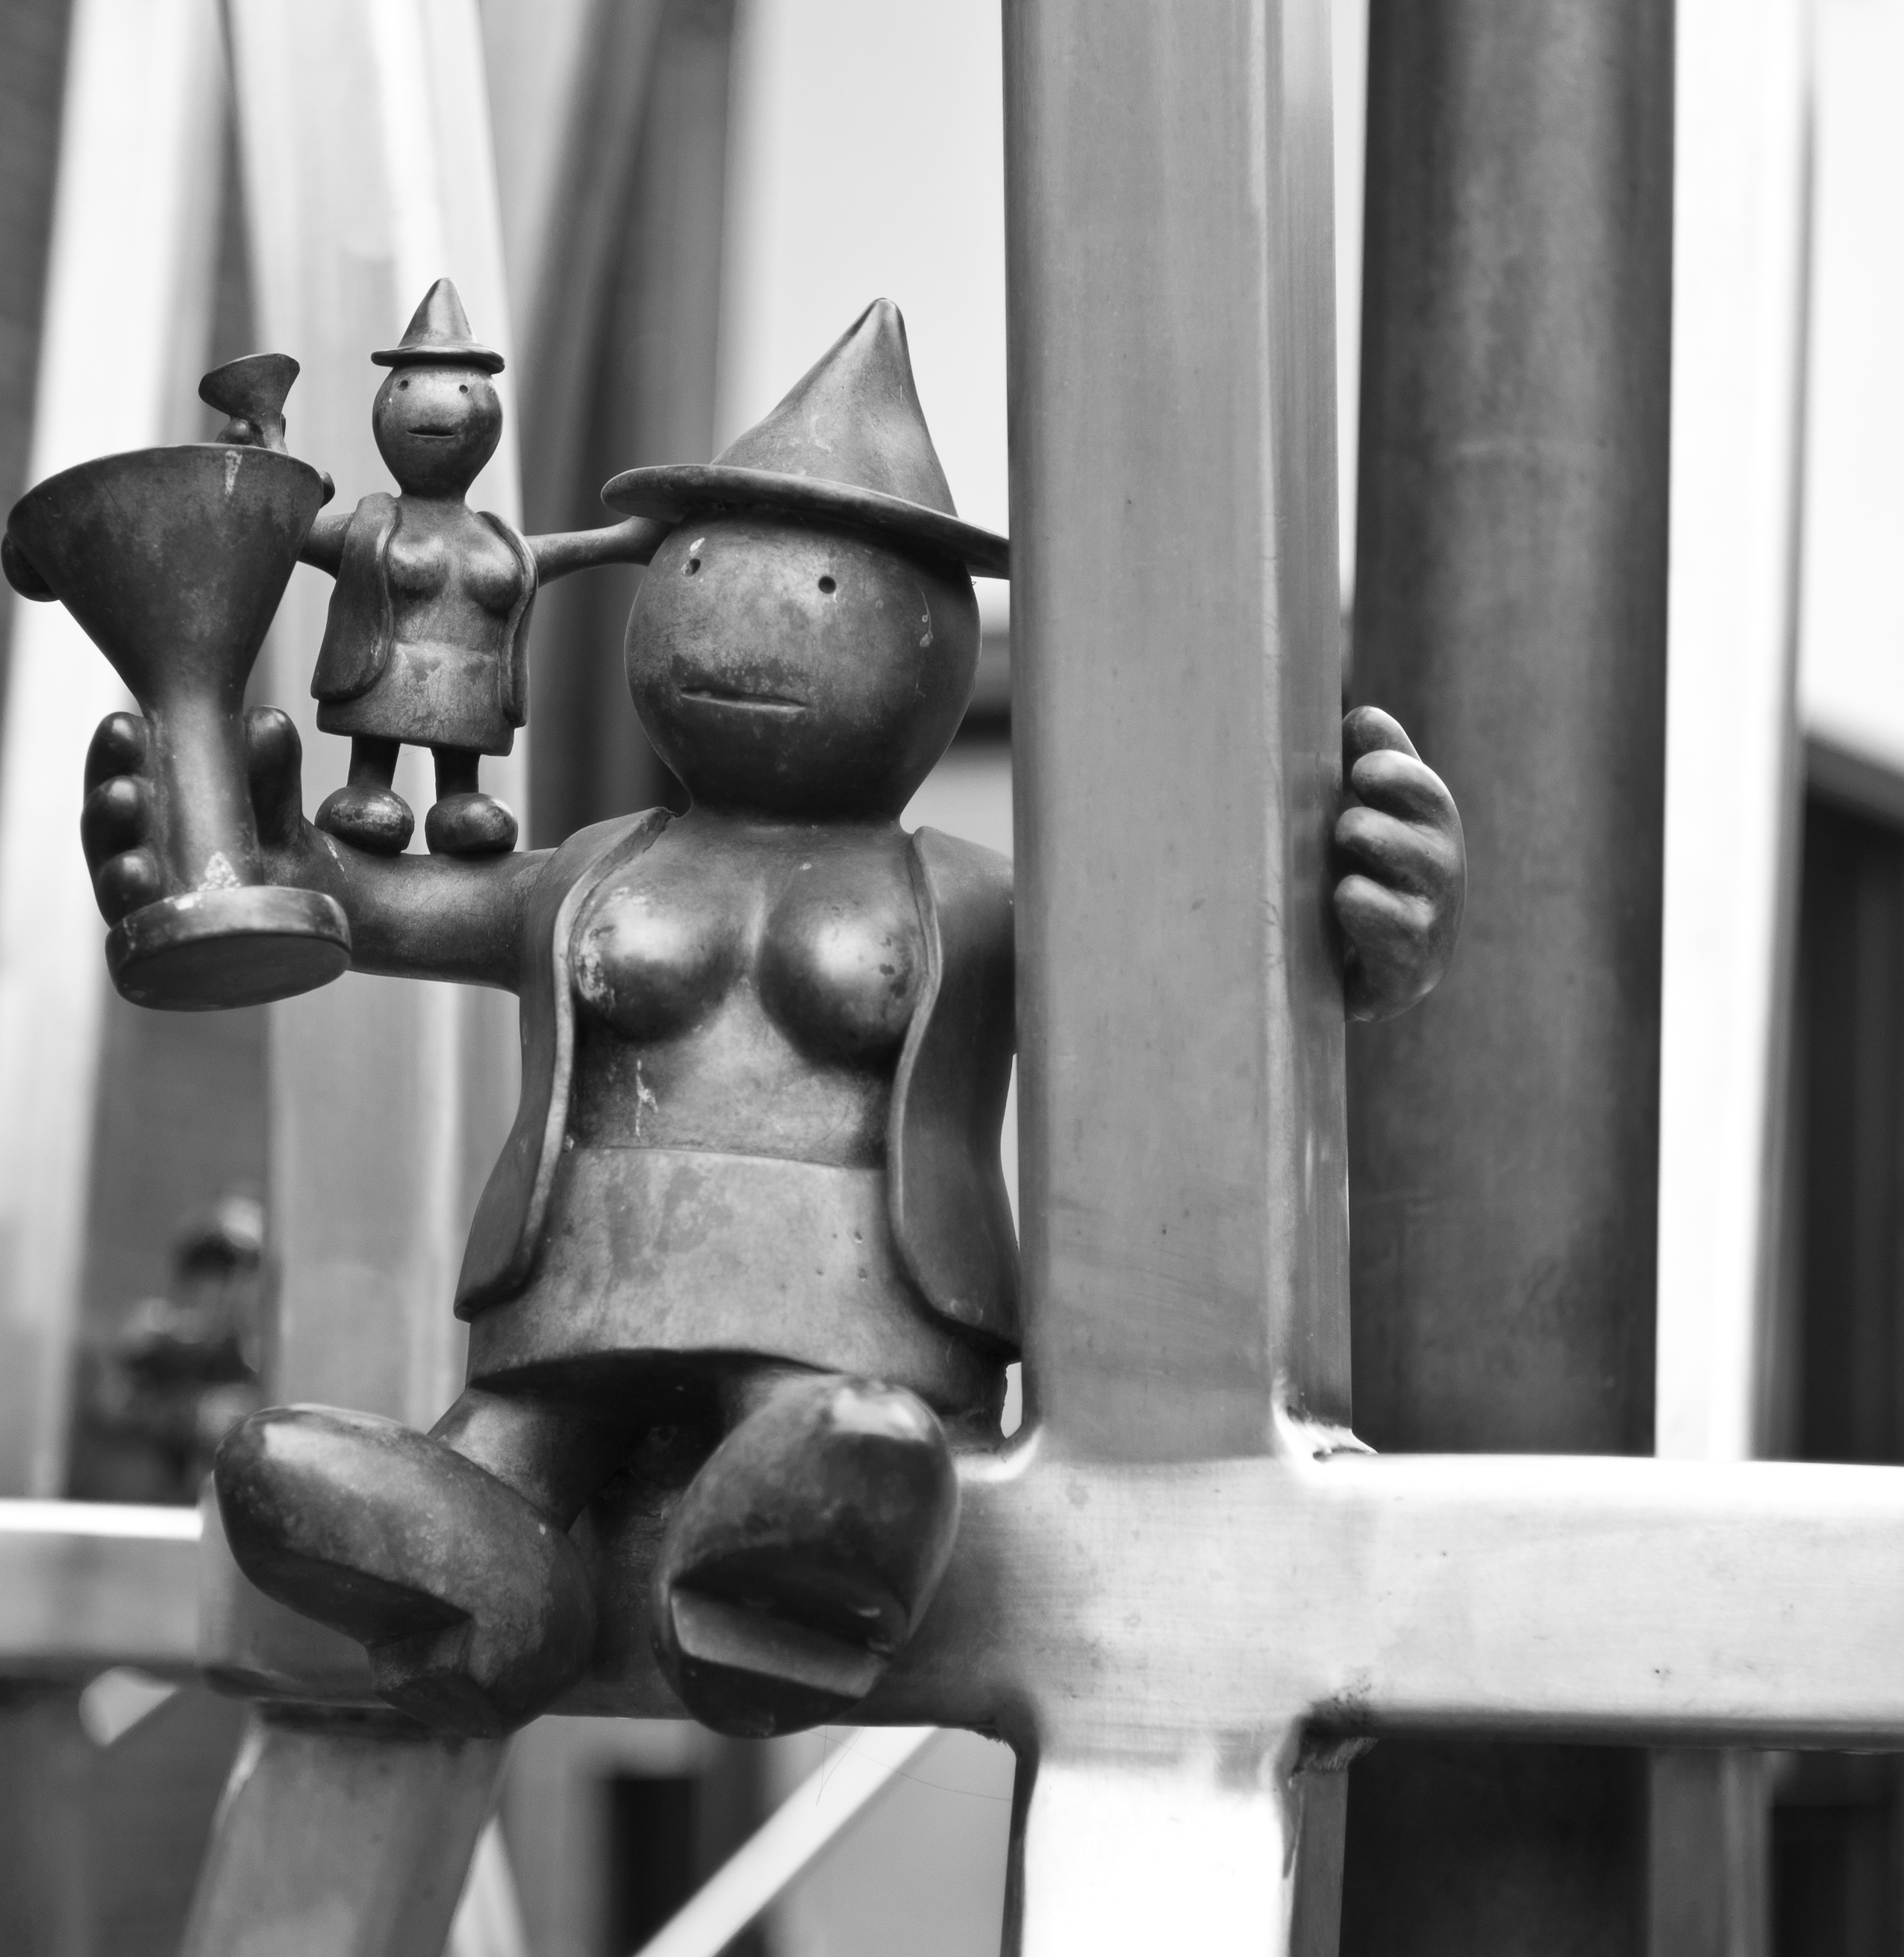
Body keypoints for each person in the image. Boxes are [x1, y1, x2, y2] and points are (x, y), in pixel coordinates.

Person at [78, 299, 1466, 1738]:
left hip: (855, 1330)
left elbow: (1192, 999)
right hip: (571, 1306)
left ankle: (783, 1555)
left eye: (820, 584)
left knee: (836, 1440)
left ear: (933, 640)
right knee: (448, 1454)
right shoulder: (589, 870)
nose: (744, 616)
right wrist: (245, 851)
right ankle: (484, 1556)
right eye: (696, 566)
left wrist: (1345, 934)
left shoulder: (971, 898)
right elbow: (372, 905)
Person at [299, 279, 661, 858]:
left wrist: (626, 540)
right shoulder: (372, 522)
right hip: (374, 685)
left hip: (472, 699)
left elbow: (543, 556)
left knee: (467, 804)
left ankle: (458, 800)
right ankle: (368, 784)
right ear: (388, 397)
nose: (437, 401)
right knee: (368, 798)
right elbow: (287, 529)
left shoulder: (496, 537)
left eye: (466, 387)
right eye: (407, 384)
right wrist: (272, 479)